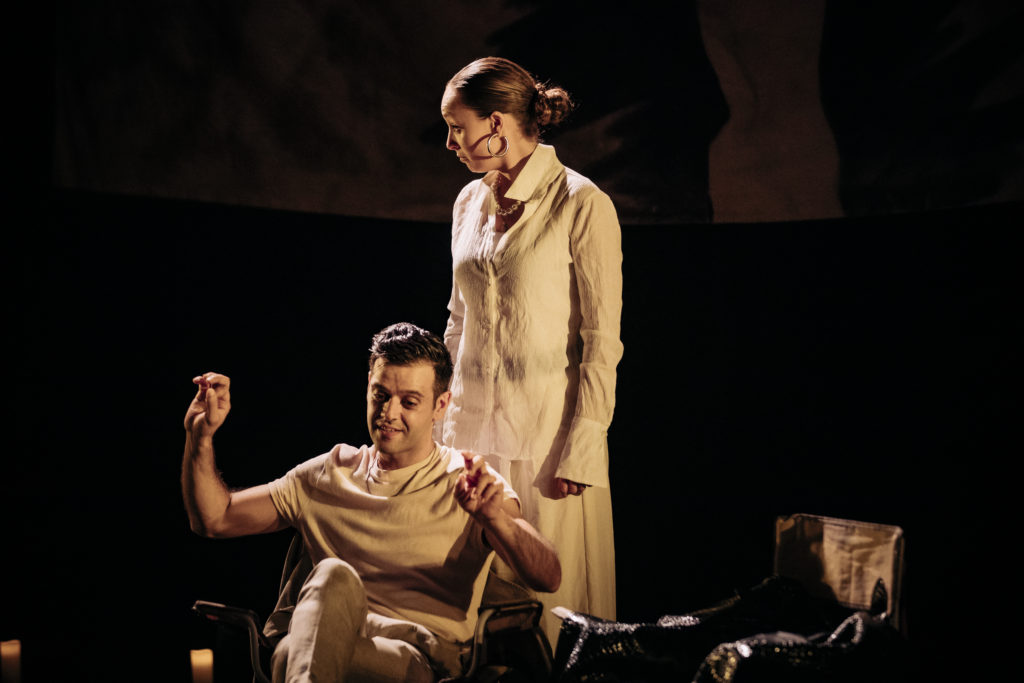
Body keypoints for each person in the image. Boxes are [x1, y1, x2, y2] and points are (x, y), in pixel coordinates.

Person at [181, 322, 561, 682]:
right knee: (331, 581)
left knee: (292, 651)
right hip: (314, 644)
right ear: (368, 386)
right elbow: (216, 518)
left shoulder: (467, 481)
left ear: (440, 405)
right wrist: (200, 439)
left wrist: (495, 519)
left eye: (409, 402)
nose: (389, 413)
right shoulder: (330, 473)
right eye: (381, 395)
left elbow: (548, 576)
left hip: (413, 658)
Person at [439, 57, 624, 644]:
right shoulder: (468, 203)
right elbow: (458, 320)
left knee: (547, 608)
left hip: (545, 444)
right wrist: (440, 424)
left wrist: (582, 450)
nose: (451, 143)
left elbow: (601, 341)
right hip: (470, 441)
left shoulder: (581, 202)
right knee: (471, 610)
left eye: (458, 128)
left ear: (496, 123)